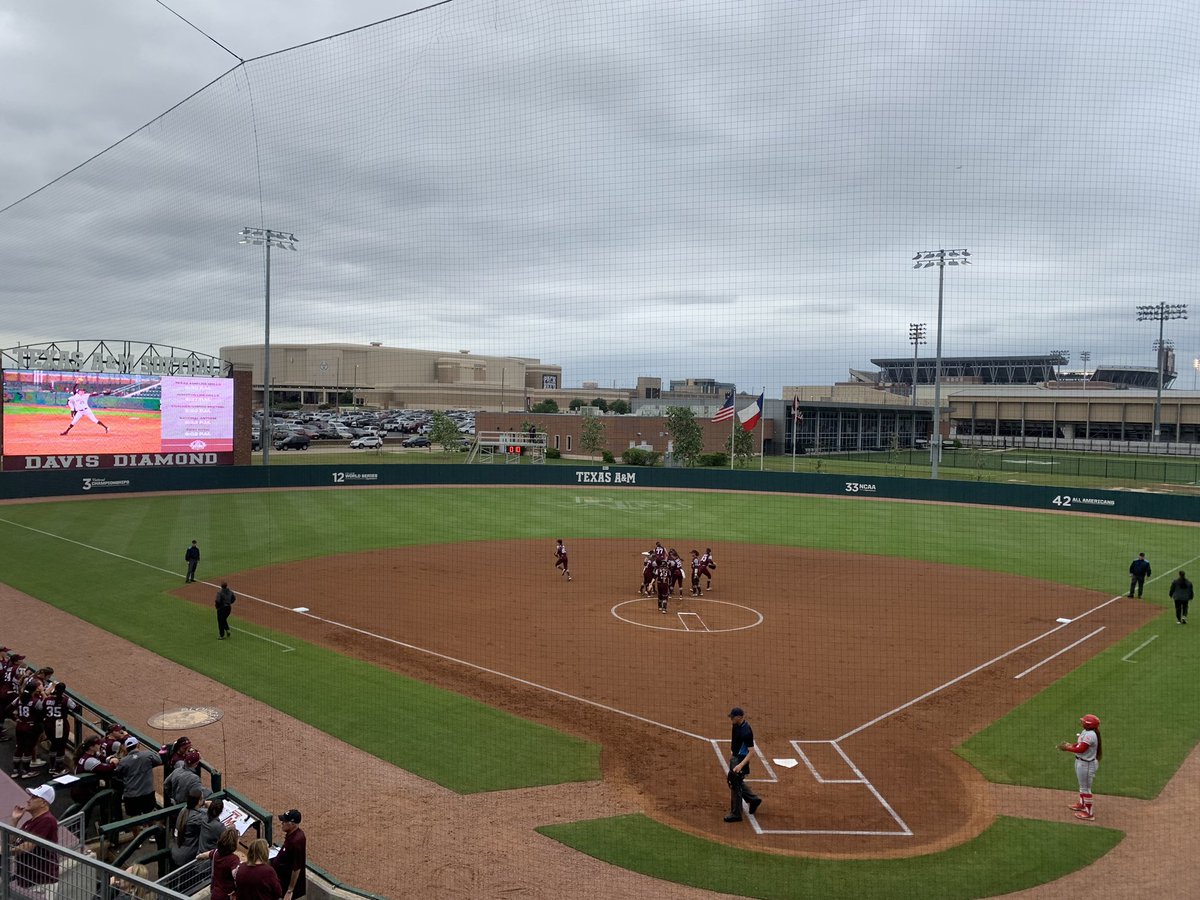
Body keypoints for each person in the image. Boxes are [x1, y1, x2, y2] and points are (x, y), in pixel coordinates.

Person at [10, 784, 60, 890]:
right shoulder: (29, 822)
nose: (28, 800)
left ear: (43, 803)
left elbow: (28, 846)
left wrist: (6, 851)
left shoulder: (47, 820)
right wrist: (14, 820)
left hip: (42, 882)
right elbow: (11, 840)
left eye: (34, 797)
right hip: (31, 880)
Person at [1058, 713, 1102, 821]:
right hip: (1081, 762)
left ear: (1088, 725)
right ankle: (1082, 805)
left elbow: (1081, 749)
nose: (1081, 722)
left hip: (1086, 765)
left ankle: (1089, 813)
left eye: (1084, 721)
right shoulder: (1087, 732)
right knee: (1082, 786)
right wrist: (1070, 745)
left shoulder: (1090, 735)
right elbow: (1079, 744)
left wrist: (1067, 749)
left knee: (1086, 789)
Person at [724, 706, 762, 823]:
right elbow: (735, 740)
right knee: (737, 782)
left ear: (739, 717)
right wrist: (732, 751)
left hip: (741, 760)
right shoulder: (735, 725)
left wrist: (740, 765)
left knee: (734, 784)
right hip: (736, 756)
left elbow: (751, 752)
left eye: (733, 717)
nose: (731, 719)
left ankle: (736, 814)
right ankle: (753, 799)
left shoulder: (746, 732)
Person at [114, 735, 162, 823]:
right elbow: (159, 760)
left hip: (131, 795)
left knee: (133, 819)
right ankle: (151, 836)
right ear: (138, 745)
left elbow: (118, 774)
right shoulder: (147, 754)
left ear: (126, 748)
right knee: (150, 815)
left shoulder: (123, 761)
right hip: (147, 793)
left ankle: (137, 836)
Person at [38, 681, 78, 776]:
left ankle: (52, 766)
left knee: (54, 744)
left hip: (48, 725)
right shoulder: (65, 700)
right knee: (60, 746)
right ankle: (58, 769)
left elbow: (41, 708)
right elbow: (75, 708)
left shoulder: (47, 699)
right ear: (63, 690)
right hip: (60, 726)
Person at [271, 809, 307, 899]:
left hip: (286, 884)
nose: (282, 823)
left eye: (285, 821)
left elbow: (297, 868)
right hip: (281, 880)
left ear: (292, 823)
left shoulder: (296, 841)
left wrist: (290, 890)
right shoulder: (292, 834)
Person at [170, 786, 207, 868]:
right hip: (186, 859)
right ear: (199, 801)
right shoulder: (196, 819)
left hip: (176, 852)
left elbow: (200, 812)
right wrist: (210, 806)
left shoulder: (184, 810)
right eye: (202, 798)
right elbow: (210, 818)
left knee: (173, 880)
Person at [201, 827, 241, 900]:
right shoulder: (234, 859)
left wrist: (198, 857)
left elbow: (206, 854)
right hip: (227, 896)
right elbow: (236, 874)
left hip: (215, 893)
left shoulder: (216, 852)